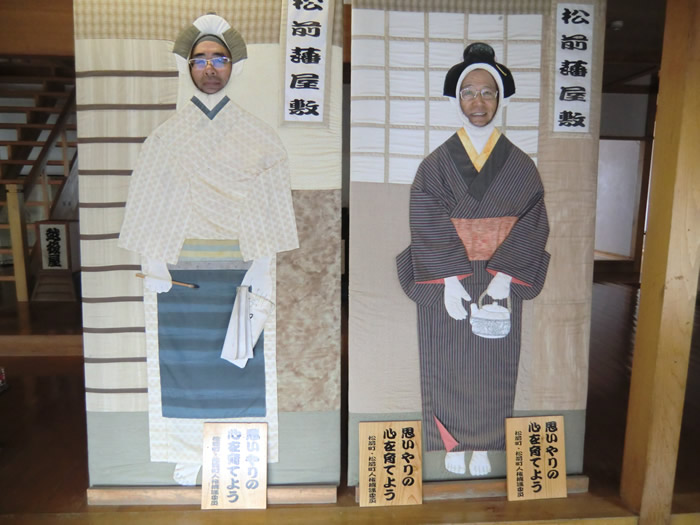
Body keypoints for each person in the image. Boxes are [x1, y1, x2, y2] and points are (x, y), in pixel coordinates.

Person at [397, 43, 550, 477]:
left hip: (502, 275)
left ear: (500, 98)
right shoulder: (435, 165)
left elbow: (533, 221)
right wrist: (448, 280)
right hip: (450, 276)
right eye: (468, 92)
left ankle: (483, 444)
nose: (478, 102)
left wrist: (503, 280)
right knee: (444, 358)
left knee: (493, 364)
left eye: (487, 92)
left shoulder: (521, 166)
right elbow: (425, 220)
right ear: (456, 99)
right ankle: (450, 441)